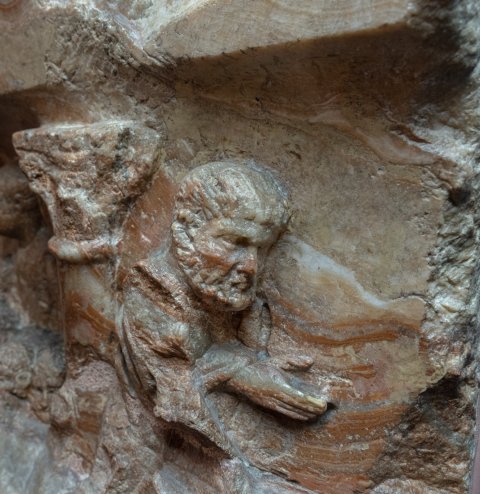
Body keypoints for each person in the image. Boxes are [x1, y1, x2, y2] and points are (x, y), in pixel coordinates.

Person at [121, 161, 328, 426]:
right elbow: (176, 400)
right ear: (187, 230)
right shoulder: (152, 291)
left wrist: (259, 364)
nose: (251, 266)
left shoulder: (232, 297)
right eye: (236, 242)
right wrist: (242, 376)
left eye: (262, 248)